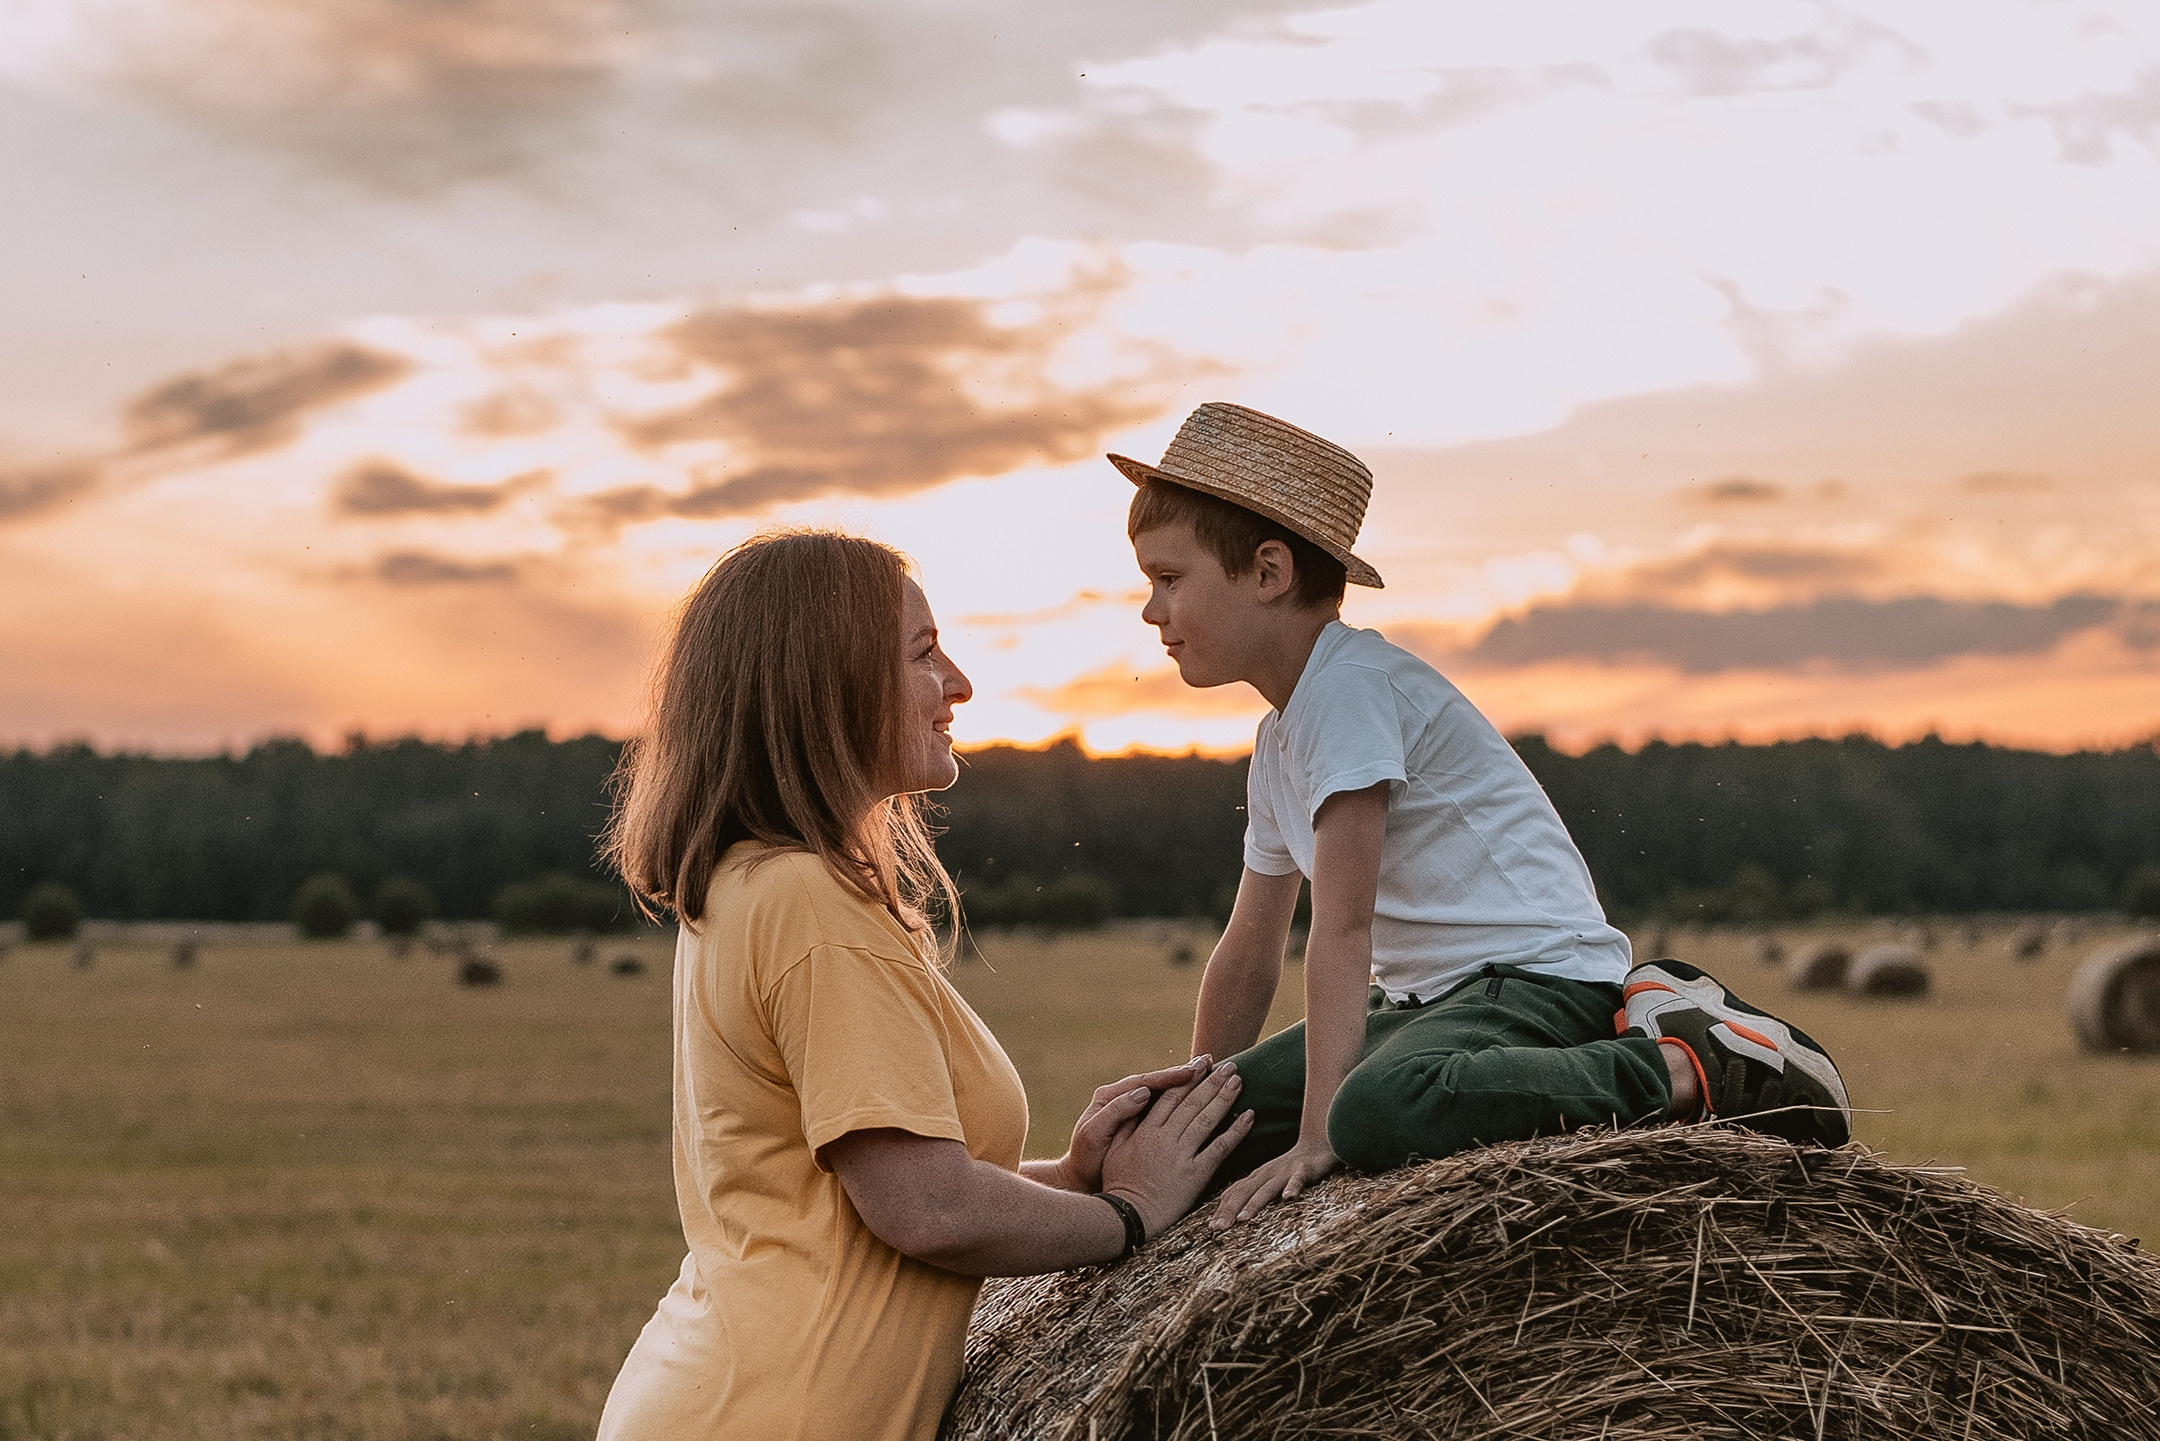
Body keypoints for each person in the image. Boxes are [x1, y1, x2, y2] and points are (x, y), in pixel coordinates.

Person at [1106, 402, 1852, 1229]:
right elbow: (1249, 951)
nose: (1151, 610)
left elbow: (1342, 927)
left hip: (1540, 980)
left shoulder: (1349, 690)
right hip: (1428, 1002)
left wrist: (1318, 1135)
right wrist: (1194, 1114)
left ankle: (1686, 1064)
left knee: (1371, 1115)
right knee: (1177, 1130)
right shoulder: (1280, 737)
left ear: (1268, 572)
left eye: (1168, 579)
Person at [594, 530, 1254, 1441]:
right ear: (828, 684)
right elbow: (927, 1207)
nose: (959, 682)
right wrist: (1129, 1214)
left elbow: (847, 1195)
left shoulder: (753, 882)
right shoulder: (807, 902)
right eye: (922, 653)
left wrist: (1070, 1176)